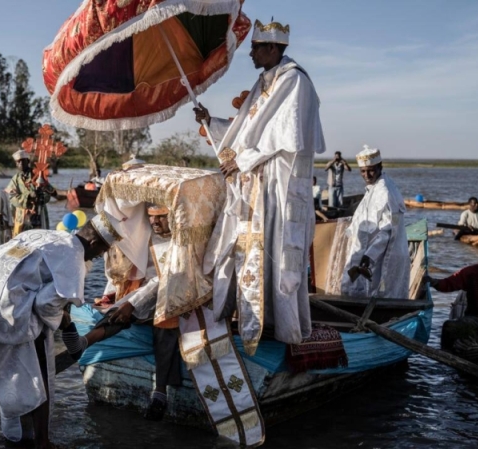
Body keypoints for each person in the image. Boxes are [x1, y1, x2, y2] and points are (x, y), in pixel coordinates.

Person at [194, 18, 325, 350]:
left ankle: (282, 328)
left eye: (254, 48)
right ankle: (250, 319)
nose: (250, 54)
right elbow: (245, 128)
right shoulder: (264, 82)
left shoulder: (294, 82)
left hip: (279, 184)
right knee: (248, 251)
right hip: (256, 184)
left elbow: (282, 139)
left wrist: (242, 160)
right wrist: (212, 121)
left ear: (271, 48)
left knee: (278, 252)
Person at [0, 216, 113, 448]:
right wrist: (63, 321)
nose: (98, 257)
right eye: (101, 252)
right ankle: (42, 441)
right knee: (38, 372)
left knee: (6, 370)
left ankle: (15, 435)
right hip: (9, 312)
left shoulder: (48, 235)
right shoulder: (73, 258)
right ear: (94, 243)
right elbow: (46, 305)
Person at [64, 205, 180, 421]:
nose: (155, 222)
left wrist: (133, 304)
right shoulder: (147, 237)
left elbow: (167, 278)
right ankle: (83, 343)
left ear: (172, 216)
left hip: (175, 297)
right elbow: (123, 272)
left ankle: (160, 392)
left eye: (161, 217)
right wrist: (117, 298)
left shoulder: (181, 242)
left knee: (165, 319)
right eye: (152, 217)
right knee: (118, 312)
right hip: (147, 293)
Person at [341, 146, 410, 299]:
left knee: (384, 293)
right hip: (369, 252)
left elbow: (387, 229)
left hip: (381, 253)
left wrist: (369, 255)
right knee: (359, 288)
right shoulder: (373, 188)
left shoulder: (384, 191)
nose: (367, 175)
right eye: (363, 171)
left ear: (380, 167)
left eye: (371, 170)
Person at [6, 150, 56, 236]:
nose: (21, 163)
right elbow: (12, 197)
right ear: (16, 164)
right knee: (21, 241)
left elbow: (49, 193)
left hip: (38, 213)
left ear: (28, 161)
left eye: (23, 160)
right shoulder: (15, 179)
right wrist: (28, 197)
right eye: (18, 161)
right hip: (21, 216)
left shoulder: (38, 175)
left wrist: (40, 197)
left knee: (40, 239)